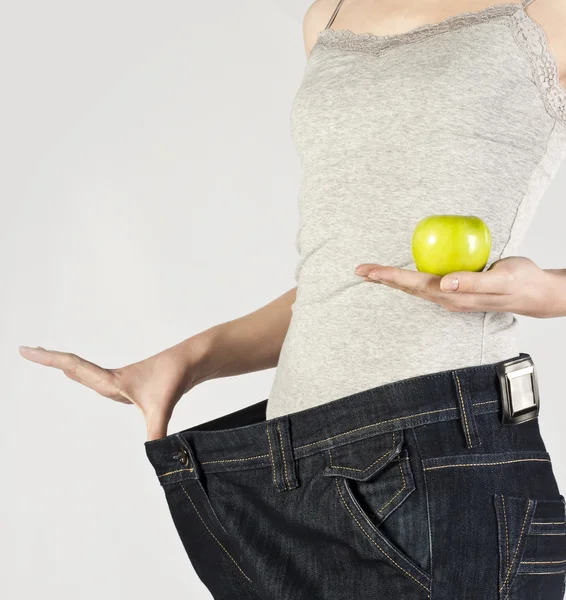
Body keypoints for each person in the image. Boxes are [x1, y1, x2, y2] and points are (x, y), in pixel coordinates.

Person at [20, 0, 566, 598]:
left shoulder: (542, 13)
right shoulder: (328, 16)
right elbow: (343, 280)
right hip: (289, 462)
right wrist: (190, 360)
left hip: (442, 450)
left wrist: (544, 291)